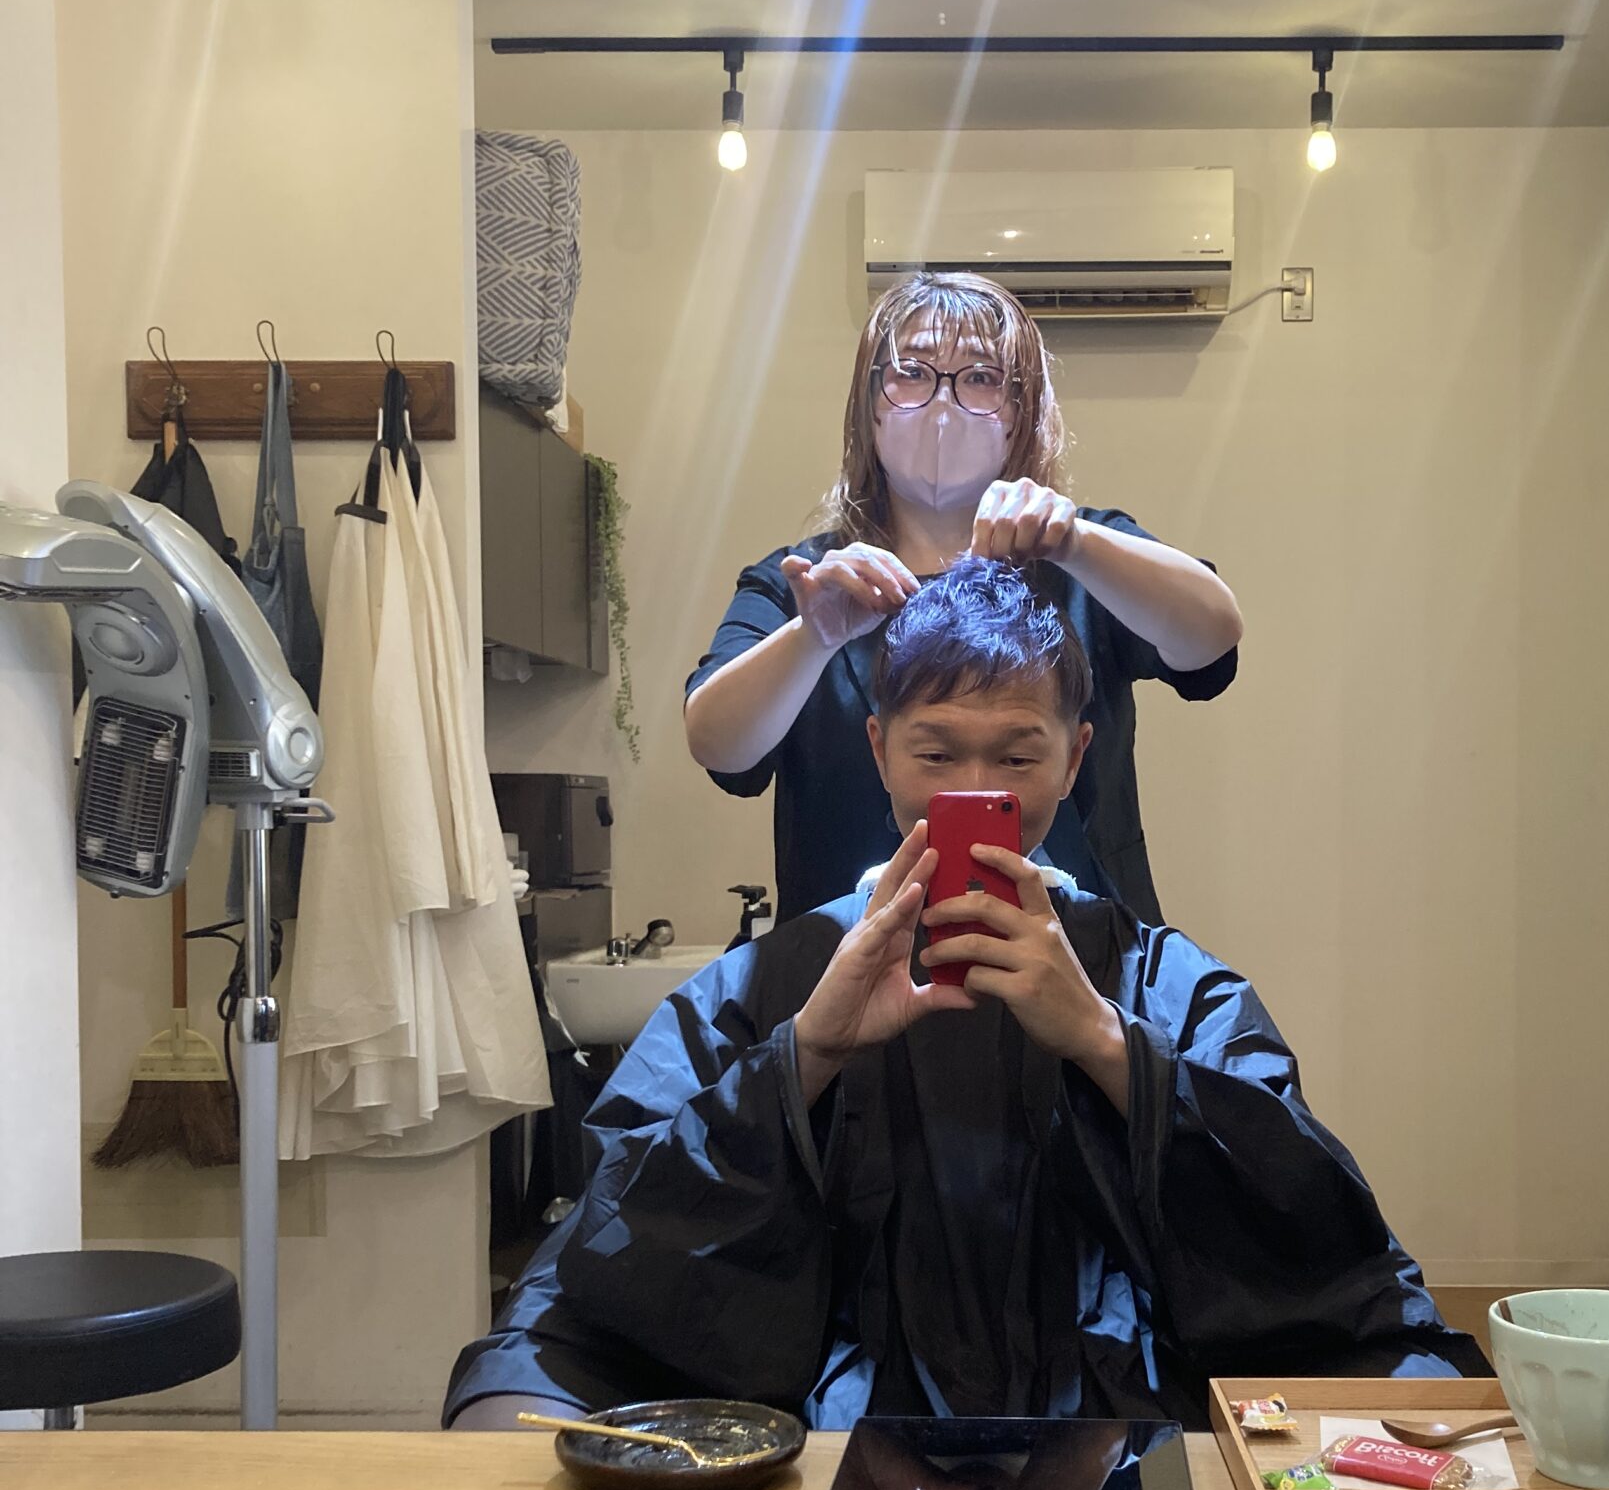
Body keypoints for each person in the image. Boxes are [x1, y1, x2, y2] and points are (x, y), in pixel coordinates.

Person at [447, 561, 1470, 1430]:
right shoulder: (774, 982)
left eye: (1017, 755)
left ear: (1074, 757)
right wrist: (805, 1054)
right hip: (829, 1406)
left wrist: (1105, 1042)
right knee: (513, 1391)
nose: (973, 785)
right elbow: (617, 1233)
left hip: (1113, 1404)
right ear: (879, 749)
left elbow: (1311, 1228)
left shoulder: (1164, 981)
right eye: (936, 754)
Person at [684, 268, 1242, 921]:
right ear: (870, 402)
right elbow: (718, 744)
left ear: (1020, 411)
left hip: (1077, 953)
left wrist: (1075, 542)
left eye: (980, 377)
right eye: (911, 372)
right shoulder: (809, 583)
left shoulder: (1086, 557)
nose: (942, 401)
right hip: (852, 957)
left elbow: (1211, 639)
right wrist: (813, 637)